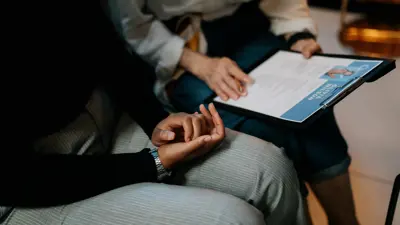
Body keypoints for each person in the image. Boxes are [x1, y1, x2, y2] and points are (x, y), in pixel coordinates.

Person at [0, 3, 307, 225]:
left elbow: (108, 48)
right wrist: (153, 163)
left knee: (271, 169)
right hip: (28, 186)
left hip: (110, 121)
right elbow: (17, 178)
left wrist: (155, 120)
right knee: (231, 219)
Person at [109, 0, 360, 225]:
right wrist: (199, 63)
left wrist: (298, 34)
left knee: (311, 107)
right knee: (262, 132)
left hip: (245, 21)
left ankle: (346, 221)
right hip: (178, 43)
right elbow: (133, 24)